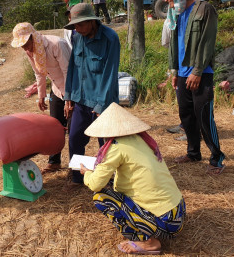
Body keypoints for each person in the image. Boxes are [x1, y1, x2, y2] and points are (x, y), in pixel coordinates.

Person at [79, 102, 186, 255]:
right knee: (110, 183)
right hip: (177, 213)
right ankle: (148, 228)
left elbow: (96, 184)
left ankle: (148, 242)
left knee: (100, 197)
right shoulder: (141, 139)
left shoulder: (116, 147)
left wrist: (87, 173)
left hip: (166, 222)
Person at [153, 0, 226, 174]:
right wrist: (174, 71)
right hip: (183, 73)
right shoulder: (176, 13)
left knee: (203, 116)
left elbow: (207, 43)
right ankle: (193, 153)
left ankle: (217, 158)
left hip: (201, 73)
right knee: (186, 115)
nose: (166, 0)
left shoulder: (204, 9)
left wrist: (197, 71)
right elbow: (174, 47)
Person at [64, 3, 120, 186]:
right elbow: (72, 67)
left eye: (79, 25)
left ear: (91, 22)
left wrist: (101, 106)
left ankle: (106, 180)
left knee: (106, 146)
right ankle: (78, 178)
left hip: (103, 103)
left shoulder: (110, 38)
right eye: (74, 26)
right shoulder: (77, 36)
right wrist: (69, 96)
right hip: (81, 101)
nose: (76, 29)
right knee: (75, 139)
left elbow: (110, 75)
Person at [11, 22, 71, 174]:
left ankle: (76, 167)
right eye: (21, 46)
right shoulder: (30, 51)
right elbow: (39, 73)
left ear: (33, 37)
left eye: (26, 43)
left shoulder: (56, 44)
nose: (25, 48)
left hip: (72, 88)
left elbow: (68, 72)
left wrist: (69, 98)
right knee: (55, 127)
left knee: (73, 128)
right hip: (57, 89)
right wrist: (41, 96)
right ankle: (54, 162)